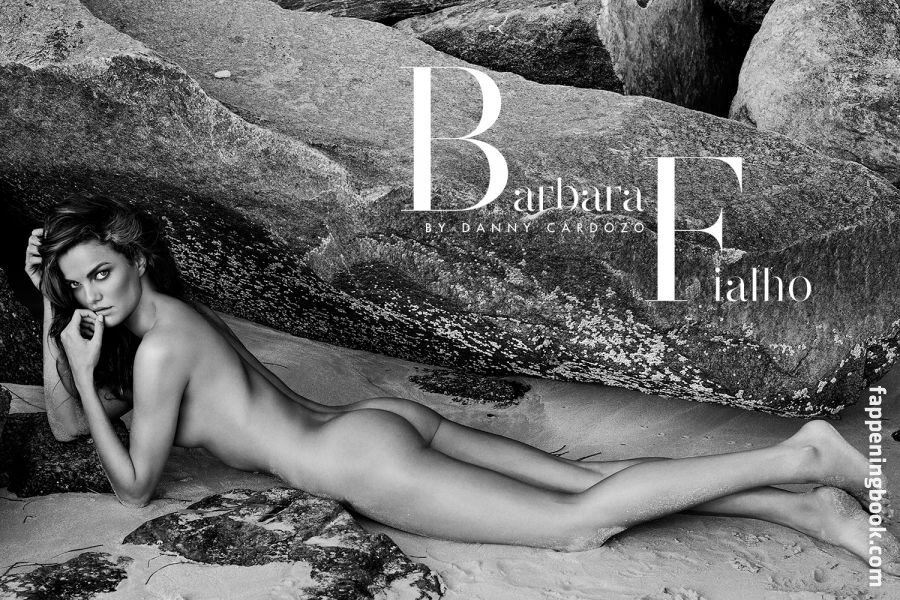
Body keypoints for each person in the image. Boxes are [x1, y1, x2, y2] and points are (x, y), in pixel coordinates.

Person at [23, 196, 897, 572]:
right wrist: (51, 320)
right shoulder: (166, 321)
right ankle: (804, 508)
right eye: (76, 285)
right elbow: (65, 427)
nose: (92, 295)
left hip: (361, 463)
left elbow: (134, 487)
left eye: (100, 274)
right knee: (584, 483)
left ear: (135, 260)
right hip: (377, 422)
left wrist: (86, 365)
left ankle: (802, 455)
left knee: (578, 525)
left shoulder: (158, 350)